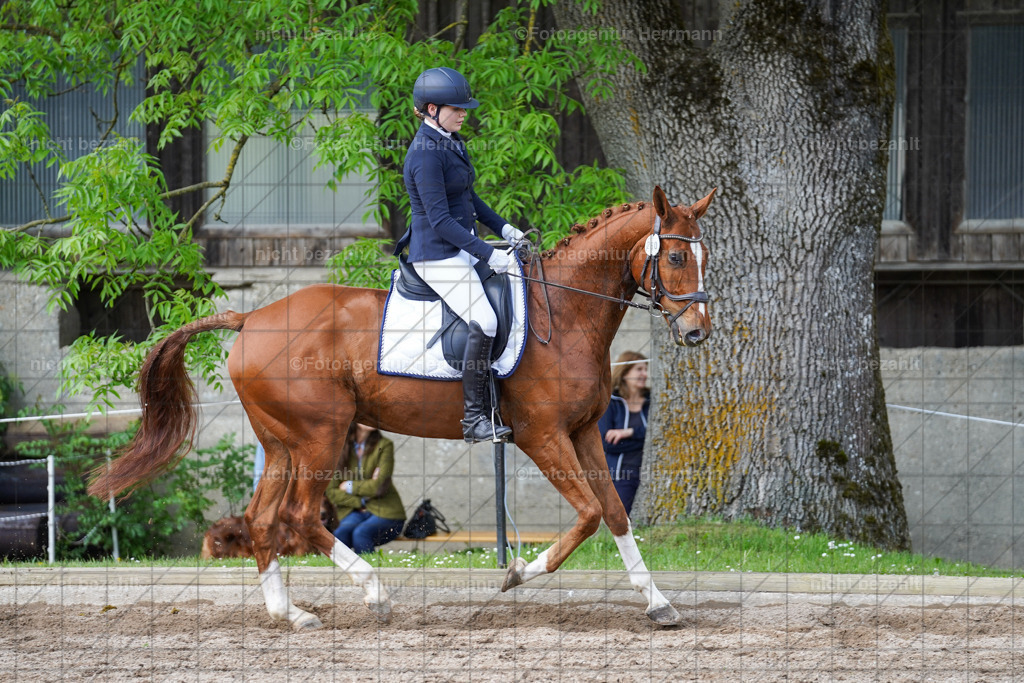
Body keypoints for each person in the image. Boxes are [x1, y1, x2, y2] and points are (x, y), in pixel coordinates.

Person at [394, 66, 525, 443]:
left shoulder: (450, 140)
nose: (464, 114)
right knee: (485, 321)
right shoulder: (424, 154)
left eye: (464, 108)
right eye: (457, 108)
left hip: (462, 248)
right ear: (432, 109)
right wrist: (488, 253)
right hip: (437, 256)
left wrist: (504, 229)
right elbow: (439, 220)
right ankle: (473, 420)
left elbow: (469, 199)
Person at [325, 423, 406, 554]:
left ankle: (367, 567)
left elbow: (379, 486)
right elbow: (332, 492)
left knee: (361, 533)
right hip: (354, 510)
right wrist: (360, 501)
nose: (371, 419)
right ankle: (339, 567)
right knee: (340, 534)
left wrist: (349, 486)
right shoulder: (338, 448)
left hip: (385, 511)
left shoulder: (384, 445)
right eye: (367, 415)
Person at [598, 352, 650, 516]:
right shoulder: (610, 402)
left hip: (653, 473)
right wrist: (645, 440)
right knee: (622, 519)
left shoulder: (652, 400)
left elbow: (660, 433)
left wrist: (629, 432)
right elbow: (607, 445)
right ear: (625, 372)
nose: (645, 374)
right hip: (622, 475)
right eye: (639, 369)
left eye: (646, 369)